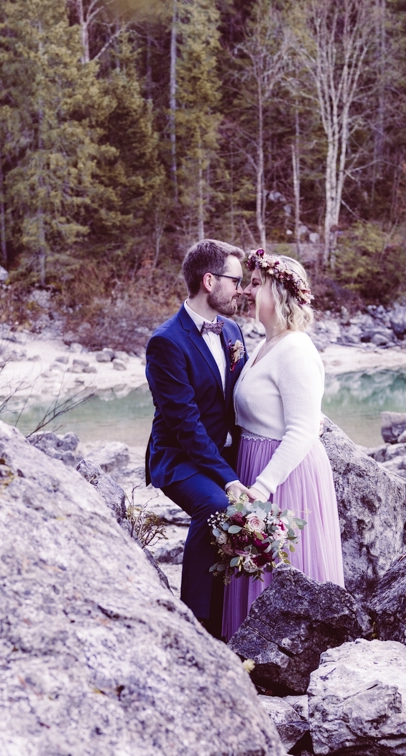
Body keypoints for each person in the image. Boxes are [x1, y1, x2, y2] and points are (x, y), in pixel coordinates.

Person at [221, 249, 344, 640]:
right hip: (252, 465)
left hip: (284, 475)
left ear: (278, 292)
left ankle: (291, 656)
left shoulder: (297, 350)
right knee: (253, 565)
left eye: (256, 284)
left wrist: (261, 488)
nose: (247, 291)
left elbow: (303, 429)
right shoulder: (263, 345)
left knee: (282, 566)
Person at [144, 239, 253, 638]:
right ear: (210, 281)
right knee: (216, 507)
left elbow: (240, 397)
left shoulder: (233, 331)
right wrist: (228, 477)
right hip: (179, 457)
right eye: (235, 280)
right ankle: (195, 625)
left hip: (223, 455)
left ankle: (229, 620)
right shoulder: (166, 342)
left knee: (250, 511)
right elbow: (186, 425)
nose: (241, 290)